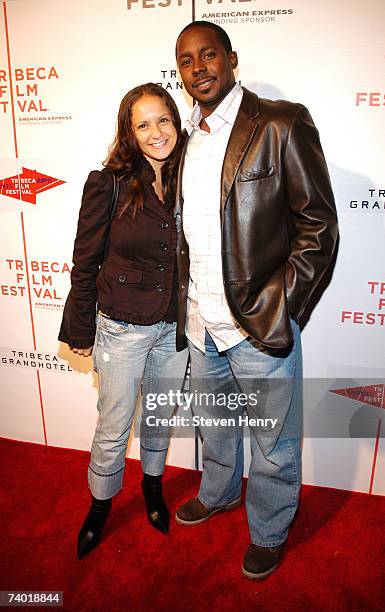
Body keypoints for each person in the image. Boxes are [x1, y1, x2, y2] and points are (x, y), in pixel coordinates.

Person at [174, 22, 338, 579]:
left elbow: (319, 224)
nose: (198, 68)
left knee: (273, 443)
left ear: (232, 58)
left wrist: (283, 304)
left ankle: (269, 529)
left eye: (209, 55)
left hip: (257, 325)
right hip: (201, 326)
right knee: (216, 426)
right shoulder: (185, 138)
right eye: (187, 60)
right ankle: (218, 492)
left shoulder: (279, 122)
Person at [59, 83, 188, 559]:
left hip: (175, 327)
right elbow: (85, 261)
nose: (156, 133)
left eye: (164, 120)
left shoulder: (189, 178)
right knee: (114, 425)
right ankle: (99, 505)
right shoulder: (107, 182)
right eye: (143, 124)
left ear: (177, 122)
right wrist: (80, 331)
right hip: (121, 328)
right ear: (129, 133)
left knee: (158, 415)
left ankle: (152, 488)